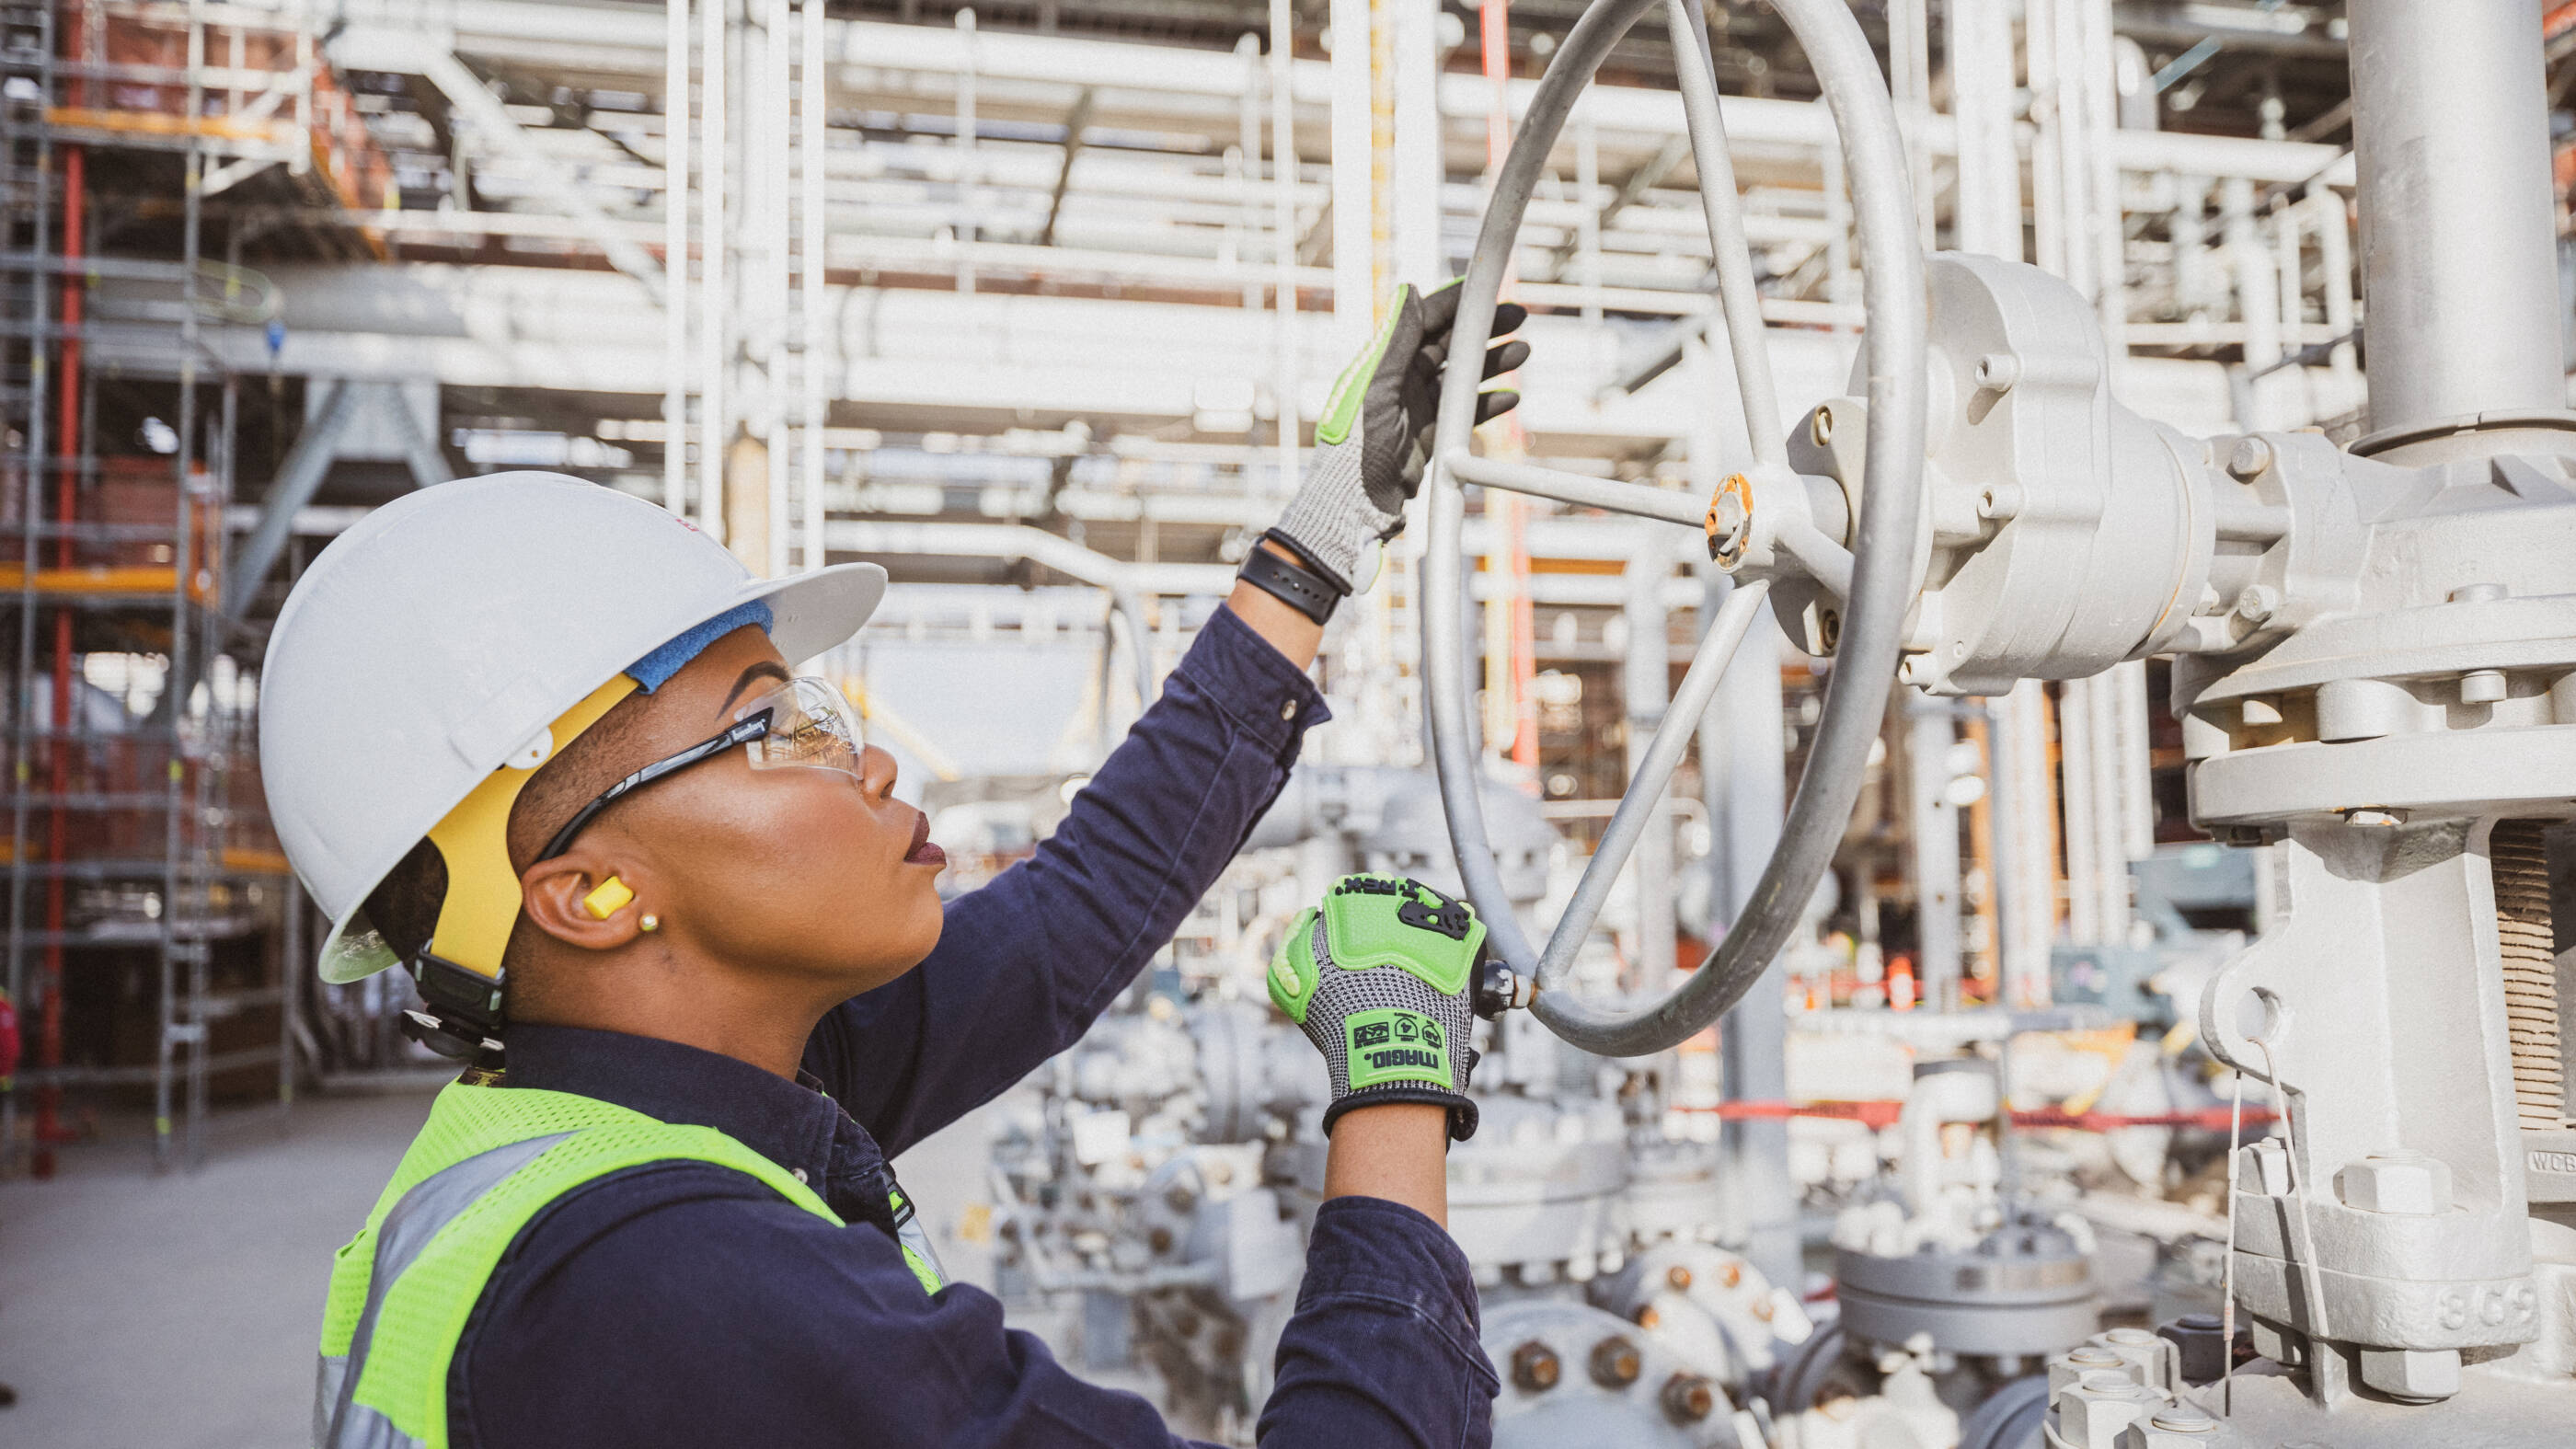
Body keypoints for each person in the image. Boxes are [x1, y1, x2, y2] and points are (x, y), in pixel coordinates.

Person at [271, 283, 1530, 1449]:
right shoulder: (675, 1288)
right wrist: (1397, 1079)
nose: (867, 767)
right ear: (590, 896)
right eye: (771, 729)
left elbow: (1074, 911)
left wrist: (1317, 539)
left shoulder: (620, 1117)